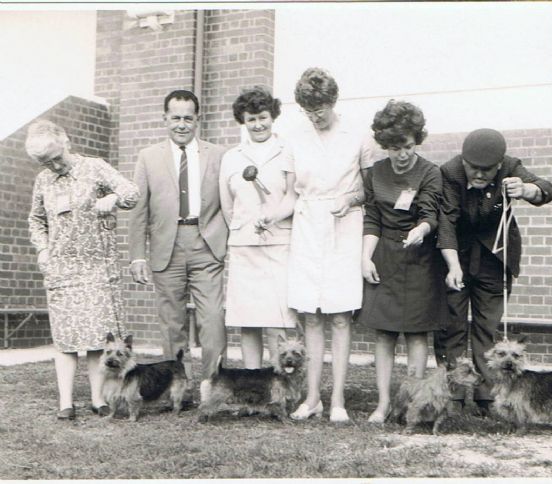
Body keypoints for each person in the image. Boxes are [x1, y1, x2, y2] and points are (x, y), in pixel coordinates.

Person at [434, 128, 552, 413]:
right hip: (456, 257)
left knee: (487, 328)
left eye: (486, 171)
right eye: (472, 168)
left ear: (499, 165)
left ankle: (487, 397)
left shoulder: (511, 167)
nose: (478, 175)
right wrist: (452, 266)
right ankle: (452, 396)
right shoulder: (449, 172)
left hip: (495, 260)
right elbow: (447, 222)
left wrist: (528, 190)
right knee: (450, 326)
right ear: (463, 161)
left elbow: (545, 188)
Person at [277, 67, 373, 423]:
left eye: (320, 109)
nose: (315, 116)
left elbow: (369, 190)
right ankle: (313, 398)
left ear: (333, 102)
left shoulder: (358, 136)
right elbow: (289, 195)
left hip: (344, 225)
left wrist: (349, 200)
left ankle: (338, 401)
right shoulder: (294, 138)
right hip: (306, 227)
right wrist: (269, 217)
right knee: (311, 318)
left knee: (340, 317)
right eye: (307, 110)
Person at [27, 119, 139, 420]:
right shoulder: (43, 181)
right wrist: (43, 249)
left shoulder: (95, 167)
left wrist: (113, 198)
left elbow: (132, 192)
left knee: (96, 338)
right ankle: (66, 403)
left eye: (56, 158)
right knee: (65, 339)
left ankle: (97, 399)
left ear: (66, 141)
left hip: (97, 268)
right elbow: (36, 220)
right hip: (61, 269)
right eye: (45, 163)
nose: (54, 166)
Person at [128, 90, 228, 404]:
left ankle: (212, 388)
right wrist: (137, 256)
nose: (182, 124)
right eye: (175, 118)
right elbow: (139, 209)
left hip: (206, 244)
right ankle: (178, 392)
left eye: (188, 118)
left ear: (197, 119)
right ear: (165, 119)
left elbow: (229, 202)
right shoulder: (148, 156)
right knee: (171, 323)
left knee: (212, 318)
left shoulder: (219, 155)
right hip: (165, 248)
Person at [358, 100, 447, 423]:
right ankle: (382, 404)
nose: (402, 154)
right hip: (384, 258)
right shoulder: (376, 173)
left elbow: (430, 215)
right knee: (383, 334)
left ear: (416, 141)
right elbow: (372, 219)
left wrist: (421, 230)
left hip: (420, 260)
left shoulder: (429, 172)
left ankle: (413, 402)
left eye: (407, 146)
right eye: (394, 147)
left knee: (416, 334)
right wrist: (365, 258)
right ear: (385, 145)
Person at [219, 86, 296, 369]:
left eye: (263, 116)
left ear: (272, 116)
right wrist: (245, 229)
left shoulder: (287, 150)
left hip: (279, 244)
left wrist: (274, 218)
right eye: (251, 119)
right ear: (243, 120)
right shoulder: (232, 157)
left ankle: (279, 378)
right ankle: (253, 380)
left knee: (277, 318)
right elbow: (228, 205)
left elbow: (292, 195)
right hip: (244, 247)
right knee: (248, 319)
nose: (258, 124)